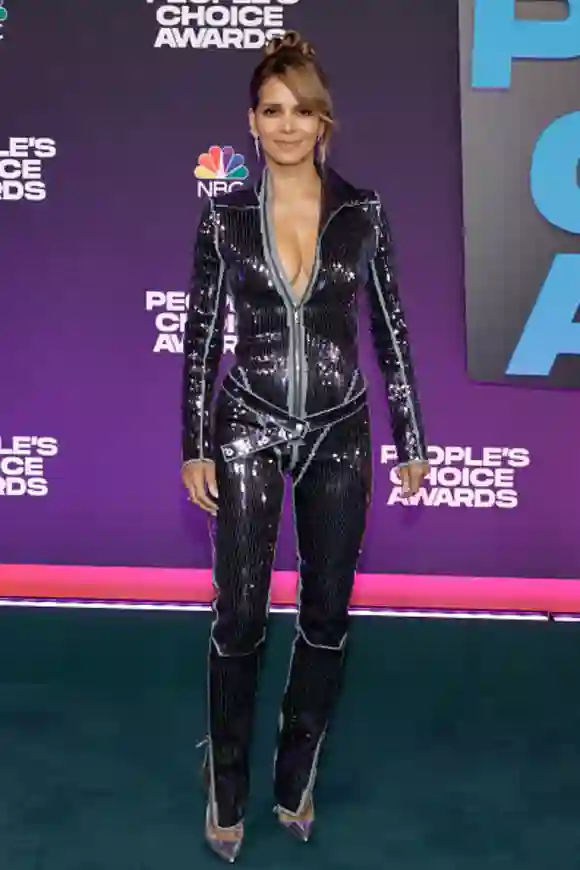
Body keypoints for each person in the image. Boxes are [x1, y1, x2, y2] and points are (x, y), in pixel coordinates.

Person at [180, 30, 429, 863]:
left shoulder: (363, 212)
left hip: (343, 431)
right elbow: (197, 337)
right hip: (245, 422)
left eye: (303, 112)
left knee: (326, 615)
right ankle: (225, 782)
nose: (287, 125)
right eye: (272, 110)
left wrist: (413, 439)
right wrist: (195, 446)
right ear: (252, 122)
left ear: (326, 123)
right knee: (240, 615)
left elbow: (390, 329)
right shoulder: (222, 216)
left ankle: (295, 777)